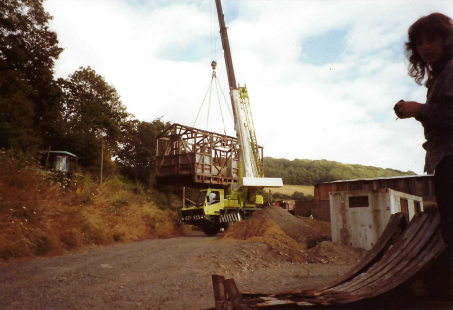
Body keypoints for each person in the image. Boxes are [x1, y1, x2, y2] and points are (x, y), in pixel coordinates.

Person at [394, 12, 453, 300]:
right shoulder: (440, 75)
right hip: (443, 159)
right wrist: (417, 112)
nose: (425, 47)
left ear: (446, 39)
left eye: (431, 40)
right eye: (419, 43)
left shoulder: (452, 69)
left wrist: (420, 110)